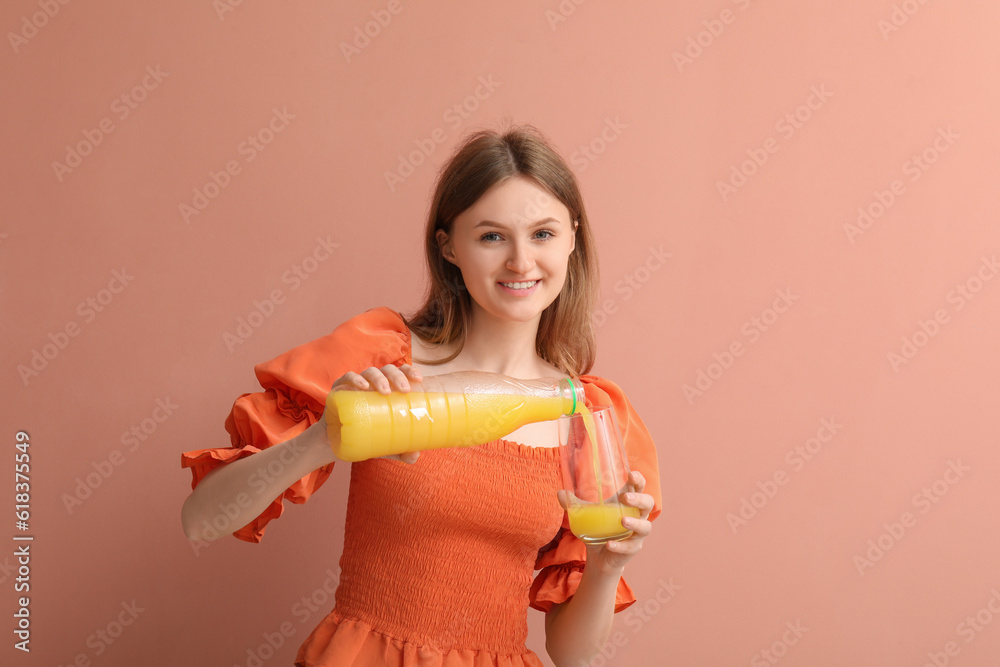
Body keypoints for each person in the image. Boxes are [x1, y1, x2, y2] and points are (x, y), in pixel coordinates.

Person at [180, 122, 662, 667]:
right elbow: (201, 518)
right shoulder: (384, 361)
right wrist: (322, 440)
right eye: (491, 236)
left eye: (543, 234)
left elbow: (572, 656)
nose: (521, 262)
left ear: (573, 237)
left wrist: (605, 567)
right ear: (448, 246)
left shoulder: (588, 416)